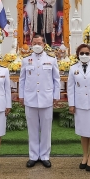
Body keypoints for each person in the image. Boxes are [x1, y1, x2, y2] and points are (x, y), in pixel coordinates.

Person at [19, 32, 60, 167]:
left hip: (46, 98)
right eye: (35, 43)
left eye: (39, 43)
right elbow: (22, 79)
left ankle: (45, 156)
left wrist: (55, 96)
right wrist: (21, 96)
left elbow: (56, 79)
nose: (37, 45)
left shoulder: (51, 59)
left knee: (46, 129)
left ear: (44, 44)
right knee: (32, 129)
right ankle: (33, 155)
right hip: (30, 98)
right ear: (31, 44)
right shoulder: (25, 60)